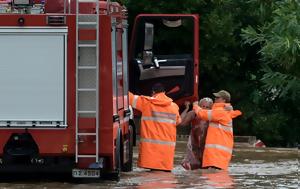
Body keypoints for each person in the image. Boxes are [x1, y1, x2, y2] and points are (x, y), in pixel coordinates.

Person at [129, 83, 181, 171]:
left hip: (150, 154)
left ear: (153, 92)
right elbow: (178, 121)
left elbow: (129, 97)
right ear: (164, 92)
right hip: (166, 156)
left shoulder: (147, 103)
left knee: (150, 180)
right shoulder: (174, 107)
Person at [193, 90, 242, 170]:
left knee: (212, 177)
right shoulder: (224, 110)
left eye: (218, 97)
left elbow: (203, 114)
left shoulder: (221, 111)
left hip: (216, 155)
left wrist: (195, 106)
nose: (215, 98)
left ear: (224, 100)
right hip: (219, 155)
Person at [180, 97, 213, 170]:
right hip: (194, 143)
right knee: (192, 166)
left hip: (206, 145)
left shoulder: (213, 116)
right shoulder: (193, 113)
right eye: (202, 106)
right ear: (199, 107)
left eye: (207, 107)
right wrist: (186, 109)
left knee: (206, 166)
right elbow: (182, 123)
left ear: (211, 108)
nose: (204, 109)